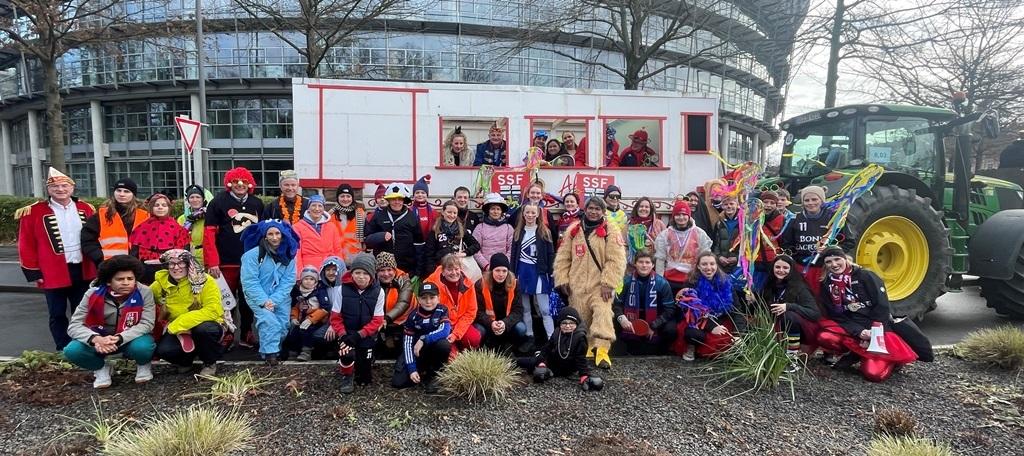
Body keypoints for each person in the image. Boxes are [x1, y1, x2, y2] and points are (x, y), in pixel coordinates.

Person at [17, 168, 97, 350]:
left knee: (83, 311)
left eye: (64, 186)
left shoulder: (86, 209)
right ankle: (62, 348)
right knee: (57, 312)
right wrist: (33, 272)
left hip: (83, 269)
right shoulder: (33, 212)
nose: (60, 189)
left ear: (72, 188)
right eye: (55, 187)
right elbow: (26, 244)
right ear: (48, 189)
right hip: (52, 271)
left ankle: (83, 346)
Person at [815, 246, 919, 382]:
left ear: (845, 259)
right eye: (829, 262)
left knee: (873, 374)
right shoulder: (827, 283)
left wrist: (872, 333)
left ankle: (891, 362)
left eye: (837, 259)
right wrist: (859, 332)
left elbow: (882, 307)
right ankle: (855, 353)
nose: (834, 265)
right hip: (854, 330)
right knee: (825, 337)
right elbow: (836, 315)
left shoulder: (866, 276)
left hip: (878, 329)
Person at [553, 196, 626, 369]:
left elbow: (616, 259)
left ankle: (602, 350)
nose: (594, 212)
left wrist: (608, 282)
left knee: (602, 314)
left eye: (598, 209)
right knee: (581, 318)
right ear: (585, 209)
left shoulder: (611, 231)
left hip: (600, 285)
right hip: (577, 284)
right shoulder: (573, 230)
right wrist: (563, 279)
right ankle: (585, 347)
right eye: (591, 208)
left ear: (603, 211)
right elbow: (563, 257)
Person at [64, 255, 156, 388]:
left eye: (130, 279)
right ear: (108, 281)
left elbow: (147, 324)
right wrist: (96, 339)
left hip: (129, 338)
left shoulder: (145, 292)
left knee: (143, 347)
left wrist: (119, 338)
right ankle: (101, 368)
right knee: (72, 350)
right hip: (100, 340)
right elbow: (74, 326)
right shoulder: (92, 294)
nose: (126, 283)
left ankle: (143, 365)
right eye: (120, 279)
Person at [204, 167, 264, 346]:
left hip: (251, 263)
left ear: (249, 184)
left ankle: (246, 332)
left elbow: (263, 235)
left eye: (244, 182)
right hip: (225, 263)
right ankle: (228, 333)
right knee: (225, 301)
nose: (240, 185)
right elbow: (209, 235)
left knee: (248, 300)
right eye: (236, 181)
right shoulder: (217, 202)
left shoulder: (257, 204)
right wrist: (213, 262)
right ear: (229, 183)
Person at [150, 249, 223, 377]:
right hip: (178, 331)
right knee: (164, 351)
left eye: (181, 263)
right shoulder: (159, 285)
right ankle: (186, 361)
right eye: (171, 263)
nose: (176, 267)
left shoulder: (205, 281)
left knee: (205, 330)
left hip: (203, 324)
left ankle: (209, 362)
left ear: (189, 264)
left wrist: (179, 324)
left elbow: (213, 310)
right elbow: (143, 297)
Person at [240, 220, 298, 365]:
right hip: (257, 295)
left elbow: (288, 280)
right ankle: (270, 355)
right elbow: (249, 281)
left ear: (283, 235)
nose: (274, 237)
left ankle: (275, 349)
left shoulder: (289, 254)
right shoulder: (252, 255)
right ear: (265, 236)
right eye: (270, 234)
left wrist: (274, 300)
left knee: (283, 325)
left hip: (280, 296)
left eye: (277, 233)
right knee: (269, 321)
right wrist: (264, 301)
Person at [780, 185, 855, 297]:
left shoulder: (834, 219)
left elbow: (849, 242)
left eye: (814, 199)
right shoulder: (794, 219)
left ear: (822, 200)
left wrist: (830, 250)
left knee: (828, 300)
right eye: (806, 200)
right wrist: (797, 259)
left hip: (827, 269)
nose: (810, 203)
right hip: (803, 269)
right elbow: (786, 244)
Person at [330, 253, 385, 393]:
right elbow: (335, 317)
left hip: (366, 335)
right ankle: (347, 375)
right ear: (351, 273)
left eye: (365, 273)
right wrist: (343, 336)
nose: (361, 277)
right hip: (347, 333)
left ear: (372, 275)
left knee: (364, 379)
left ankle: (366, 360)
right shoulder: (342, 289)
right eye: (357, 272)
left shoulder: (379, 292)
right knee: (347, 354)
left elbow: (377, 320)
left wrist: (359, 335)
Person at [755, 254, 821, 367]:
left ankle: (792, 358)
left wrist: (789, 306)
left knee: (788, 316)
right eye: (777, 267)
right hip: (779, 327)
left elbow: (815, 314)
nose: (781, 271)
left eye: (785, 268)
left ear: (791, 269)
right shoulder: (770, 285)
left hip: (803, 329)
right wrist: (754, 300)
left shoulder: (800, 287)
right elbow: (763, 308)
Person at [517, 307, 603, 391]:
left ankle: (547, 372)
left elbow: (581, 358)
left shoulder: (580, 337)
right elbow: (546, 349)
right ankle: (511, 362)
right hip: (554, 362)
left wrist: (584, 376)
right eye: (564, 323)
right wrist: (541, 363)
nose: (568, 326)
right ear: (560, 324)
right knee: (530, 364)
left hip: (569, 367)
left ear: (576, 324)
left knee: (596, 383)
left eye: (571, 323)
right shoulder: (557, 332)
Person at [675, 251, 738, 361]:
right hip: (697, 322)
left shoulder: (726, 282)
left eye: (712, 264)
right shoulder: (690, 283)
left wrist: (739, 334)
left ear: (716, 266)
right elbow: (692, 312)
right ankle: (692, 346)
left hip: (720, 320)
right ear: (698, 266)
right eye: (704, 264)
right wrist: (712, 327)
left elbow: (737, 309)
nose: (709, 268)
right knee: (692, 333)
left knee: (728, 338)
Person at [614, 251, 678, 354]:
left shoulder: (662, 283)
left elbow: (670, 309)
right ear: (635, 264)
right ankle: (622, 348)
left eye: (647, 262)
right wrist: (621, 318)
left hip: (656, 319)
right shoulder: (625, 281)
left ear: (653, 265)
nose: (644, 265)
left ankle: (663, 351)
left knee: (671, 330)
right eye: (641, 262)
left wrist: (654, 326)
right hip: (631, 319)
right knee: (613, 320)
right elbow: (617, 304)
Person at [511, 202, 556, 348]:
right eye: (527, 213)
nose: (530, 215)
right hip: (522, 272)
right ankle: (529, 336)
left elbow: (550, 254)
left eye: (533, 213)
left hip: (539, 273)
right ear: (523, 215)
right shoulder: (518, 232)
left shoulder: (544, 232)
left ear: (538, 214)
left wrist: (551, 272)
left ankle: (551, 338)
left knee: (544, 309)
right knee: (525, 308)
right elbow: (513, 256)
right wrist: (512, 273)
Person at [392, 282, 451, 393]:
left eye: (432, 297)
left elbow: (445, 331)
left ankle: (435, 374)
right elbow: (407, 343)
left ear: (438, 298)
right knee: (398, 382)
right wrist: (412, 369)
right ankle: (419, 370)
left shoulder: (442, 310)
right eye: (424, 298)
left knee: (444, 345)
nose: (428, 302)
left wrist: (424, 339)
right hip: (417, 353)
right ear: (418, 299)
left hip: (433, 351)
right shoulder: (413, 316)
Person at [81, 178, 149, 265]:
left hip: (138, 264)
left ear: (133, 194)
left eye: (126, 191)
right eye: (118, 190)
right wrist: (99, 257)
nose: (121, 194)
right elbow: (87, 239)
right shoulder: (102, 214)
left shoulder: (145, 215)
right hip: (109, 265)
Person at [425, 254, 481, 359]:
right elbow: (428, 311)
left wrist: (456, 333)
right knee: (450, 356)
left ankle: (462, 350)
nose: (454, 273)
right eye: (450, 270)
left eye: (456, 269)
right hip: (441, 325)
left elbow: (471, 311)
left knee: (474, 338)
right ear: (442, 270)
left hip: (460, 323)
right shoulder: (431, 285)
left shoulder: (468, 285)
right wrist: (446, 330)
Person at [654, 200, 713, 296]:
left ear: (689, 216)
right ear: (673, 217)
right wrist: (659, 281)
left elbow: (705, 255)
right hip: (670, 279)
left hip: (692, 279)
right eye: (678, 214)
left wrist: (705, 277)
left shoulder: (699, 233)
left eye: (684, 214)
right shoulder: (665, 234)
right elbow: (660, 259)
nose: (681, 217)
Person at [365, 182, 424, 275]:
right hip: (384, 269)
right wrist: (380, 236)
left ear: (404, 200)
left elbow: (419, 245)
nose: (396, 202)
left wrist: (418, 271)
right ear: (388, 200)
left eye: (400, 199)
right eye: (393, 199)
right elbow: (367, 239)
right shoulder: (379, 216)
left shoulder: (412, 217)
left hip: (407, 267)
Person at [130, 192, 190, 284]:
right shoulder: (142, 227)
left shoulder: (178, 228)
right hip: (147, 271)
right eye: (156, 205)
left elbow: (184, 251)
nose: (160, 207)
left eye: (164, 205)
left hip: (172, 269)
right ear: (151, 207)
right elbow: (134, 253)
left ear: (169, 208)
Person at [474, 253, 526, 350]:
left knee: (521, 329)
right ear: (491, 271)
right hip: (487, 323)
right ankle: (482, 348)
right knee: (478, 331)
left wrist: (504, 323)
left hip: (506, 322)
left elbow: (518, 310)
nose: (501, 274)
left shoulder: (515, 284)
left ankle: (511, 348)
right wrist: (491, 323)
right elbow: (477, 311)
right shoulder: (480, 285)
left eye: (504, 271)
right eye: (497, 270)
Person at [285, 266, 331, 362]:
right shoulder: (297, 291)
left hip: (317, 319)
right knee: (294, 332)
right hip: (302, 318)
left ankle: (306, 352)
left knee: (306, 331)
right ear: (301, 280)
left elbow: (325, 308)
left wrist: (311, 319)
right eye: (306, 279)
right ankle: (293, 352)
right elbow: (295, 307)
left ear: (316, 281)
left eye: (311, 279)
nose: (308, 281)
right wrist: (293, 317)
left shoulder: (319, 291)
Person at [424, 200, 481, 276]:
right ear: (443, 212)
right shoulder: (435, 231)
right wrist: (433, 272)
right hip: (441, 270)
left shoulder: (461, 230)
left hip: (459, 271)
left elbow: (476, 245)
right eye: (449, 212)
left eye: (455, 213)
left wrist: (464, 253)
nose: (452, 215)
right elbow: (428, 255)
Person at [293, 194, 343, 276]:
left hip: (329, 270)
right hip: (309, 272)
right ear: (308, 208)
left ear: (324, 209)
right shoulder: (297, 227)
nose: (317, 209)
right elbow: (296, 253)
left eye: (320, 206)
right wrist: (300, 274)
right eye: (313, 205)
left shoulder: (331, 226)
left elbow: (337, 250)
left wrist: (340, 269)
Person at [375, 252, 414, 355]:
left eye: (389, 270)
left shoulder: (403, 279)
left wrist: (387, 318)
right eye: (382, 270)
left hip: (403, 320)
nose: (386, 274)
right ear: (377, 272)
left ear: (394, 270)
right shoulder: (372, 281)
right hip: (381, 321)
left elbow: (404, 302)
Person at [753, 191, 789, 290]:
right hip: (755, 261)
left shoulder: (782, 220)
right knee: (755, 291)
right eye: (765, 202)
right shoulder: (752, 218)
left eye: (772, 203)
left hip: (773, 262)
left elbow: (785, 242)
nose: (768, 205)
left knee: (771, 289)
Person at [472, 193, 514, 270]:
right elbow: (475, 250)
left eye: (498, 209)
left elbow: (511, 249)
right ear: (488, 211)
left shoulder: (509, 228)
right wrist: (486, 266)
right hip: (485, 269)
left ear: (501, 211)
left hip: (503, 270)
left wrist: (503, 265)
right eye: (493, 209)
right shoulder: (479, 228)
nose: (495, 212)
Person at [331, 184, 368, 262]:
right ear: (337, 198)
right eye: (342, 196)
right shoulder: (330, 215)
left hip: (356, 258)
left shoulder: (361, 214)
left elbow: (366, 235)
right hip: (336, 258)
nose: (345, 199)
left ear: (352, 198)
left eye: (348, 196)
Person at [625, 196, 666, 267]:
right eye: (641, 206)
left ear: (651, 209)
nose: (644, 209)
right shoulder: (628, 225)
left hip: (653, 265)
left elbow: (666, 244)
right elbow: (623, 245)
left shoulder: (659, 224)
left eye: (647, 207)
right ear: (637, 209)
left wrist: (652, 245)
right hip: (632, 266)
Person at [178, 185, 209, 267]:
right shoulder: (182, 219)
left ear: (203, 199)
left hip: (207, 256)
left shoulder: (209, 216)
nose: (195, 200)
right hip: (189, 257)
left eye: (198, 197)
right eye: (192, 197)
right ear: (188, 200)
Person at [711, 195, 740, 274]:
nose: (729, 206)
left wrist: (737, 258)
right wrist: (719, 257)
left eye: (731, 204)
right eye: (726, 204)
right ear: (722, 206)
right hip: (722, 265)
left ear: (737, 205)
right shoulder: (719, 223)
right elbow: (716, 243)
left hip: (738, 265)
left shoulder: (744, 223)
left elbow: (748, 246)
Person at [411, 175, 436, 241]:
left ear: (427, 195)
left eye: (423, 193)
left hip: (429, 242)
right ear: (414, 195)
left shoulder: (433, 211)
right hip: (413, 242)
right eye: (417, 192)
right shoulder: (409, 210)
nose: (420, 195)